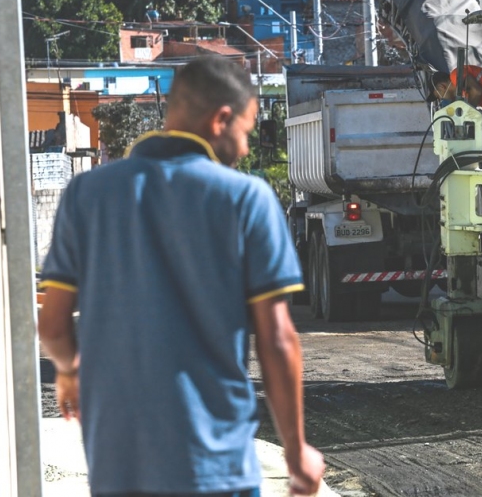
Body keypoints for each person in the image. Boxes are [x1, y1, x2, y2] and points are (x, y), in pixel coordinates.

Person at [37, 56, 324, 497]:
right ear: (221, 119)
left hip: (116, 463)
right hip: (214, 461)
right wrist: (296, 450)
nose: (245, 148)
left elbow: (54, 325)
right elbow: (277, 339)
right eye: (246, 132)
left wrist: (69, 371)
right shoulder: (247, 199)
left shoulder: (88, 193)